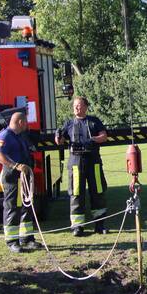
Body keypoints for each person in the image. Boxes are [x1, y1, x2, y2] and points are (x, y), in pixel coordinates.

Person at [56, 96, 109, 237]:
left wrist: (92, 140)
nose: (77, 108)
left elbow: (104, 136)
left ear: (86, 107)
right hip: (76, 163)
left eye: (79, 106)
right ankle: (77, 226)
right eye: (75, 106)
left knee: (97, 192)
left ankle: (100, 225)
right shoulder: (68, 123)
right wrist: (58, 136)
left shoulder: (94, 121)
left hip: (93, 161)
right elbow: (60, 142)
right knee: (76, 194)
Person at [0, 111, 38, 253]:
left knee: (27, 206)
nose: (27, 125)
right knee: (12, 207)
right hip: (12, 175)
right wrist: (16, 166)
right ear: (20, 122)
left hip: (24, 175)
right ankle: (12, 241)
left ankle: (27, 238)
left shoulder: (19, 136)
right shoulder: (5, 135)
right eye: (25, 122)